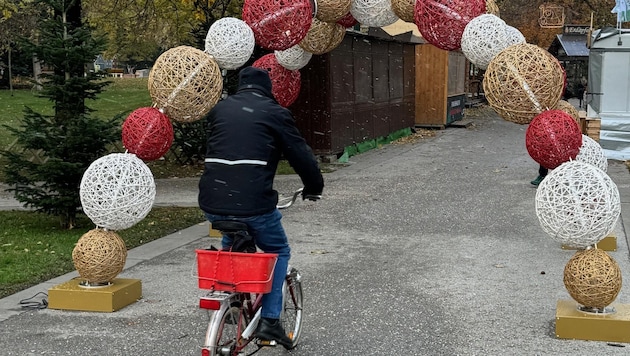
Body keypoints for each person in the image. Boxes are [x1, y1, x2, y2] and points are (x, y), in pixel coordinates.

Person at [198, 66, 324, 349]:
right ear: (268, 89)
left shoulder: (220, 110)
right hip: (253, 203)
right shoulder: (275, 113)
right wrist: (314, 187)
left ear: (240, 86)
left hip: (212, 202)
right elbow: (300, 154)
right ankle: (270, 320)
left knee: (234, 239)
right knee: (278, 251)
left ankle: (234, 299)